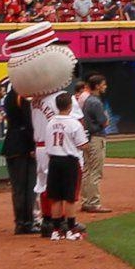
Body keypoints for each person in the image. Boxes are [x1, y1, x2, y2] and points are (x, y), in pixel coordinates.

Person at [1, 60, 43, 235]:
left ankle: (21, 221)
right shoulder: (21, 97)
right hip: (23, 145)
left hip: (12, 143)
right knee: (28, 186)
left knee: (18, 187)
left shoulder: (10, 96)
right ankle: (26, 222)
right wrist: (32, 145)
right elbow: (28, 123)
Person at [41, 92, 87, 241]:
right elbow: (82, 145)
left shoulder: (50, 123)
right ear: (69, 106)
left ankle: (55, 230)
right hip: (69, 161)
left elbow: (48, 145)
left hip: (54, 160)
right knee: (69, 198)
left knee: (55, 197)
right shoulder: (74, 123)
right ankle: (71, 229)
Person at [77, 76, 113, 213]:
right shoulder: (95, 102)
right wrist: (106, 118)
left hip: (87, 137)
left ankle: (86, 201)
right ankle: (93, 202)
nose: (105, 86)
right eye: (103, 84)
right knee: (95, 171)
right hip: (96, 138)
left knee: (87, 170)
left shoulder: (87, 100)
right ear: (97, 86)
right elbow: (105, 122)